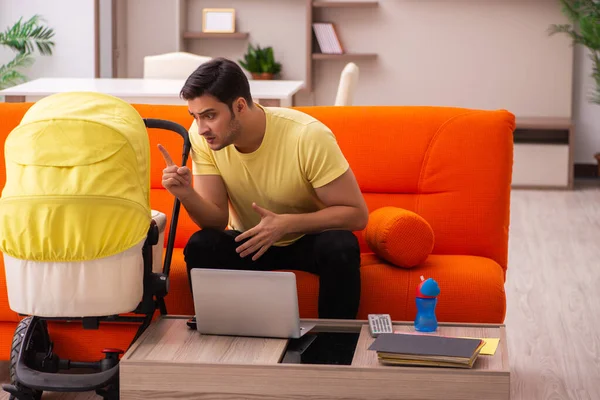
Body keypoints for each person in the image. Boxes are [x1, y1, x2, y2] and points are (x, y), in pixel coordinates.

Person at [158, 57, 368, 319]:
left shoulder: (308, 136)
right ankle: (217, 344)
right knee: (202, 245)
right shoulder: (204, 138)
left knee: (341, 245)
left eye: (210, 115)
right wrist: (187, 194)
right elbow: (216, 220)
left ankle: (331, 353)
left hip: (305, 241)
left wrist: (285, 224)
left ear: (240, 106)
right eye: (196, 117)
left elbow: (357, 215)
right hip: (249, 243)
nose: (201, 129)